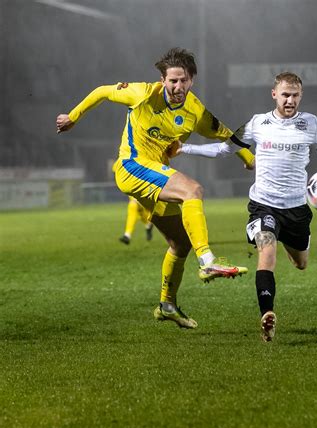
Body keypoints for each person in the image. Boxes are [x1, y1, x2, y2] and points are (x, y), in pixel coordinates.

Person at [173, 72, 317, 341]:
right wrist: (185, 149)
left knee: (300, 263)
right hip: (263, 205)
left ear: (301, 96)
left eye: (295, 95)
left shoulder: (311, 124)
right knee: (267, 251)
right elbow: (223, 150)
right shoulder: (257, 123)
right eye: (285, 95)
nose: (290, 100)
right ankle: (267, 314)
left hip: (297, 210)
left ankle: (291, 246)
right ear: (274, 94)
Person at [56, 47, 254, 329]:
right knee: (192, 190)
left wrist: (248, 158)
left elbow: (224, 133)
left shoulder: (194, 110)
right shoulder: (142, 93)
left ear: (192, 80)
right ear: (163, 80)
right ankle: (208, 260)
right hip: (132, 165)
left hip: (151, 175)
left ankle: (167, 305)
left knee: (180, 243)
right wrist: (73, 117)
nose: (177, 86)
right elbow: (102, 91)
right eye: (172, 80)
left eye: (183, 80)